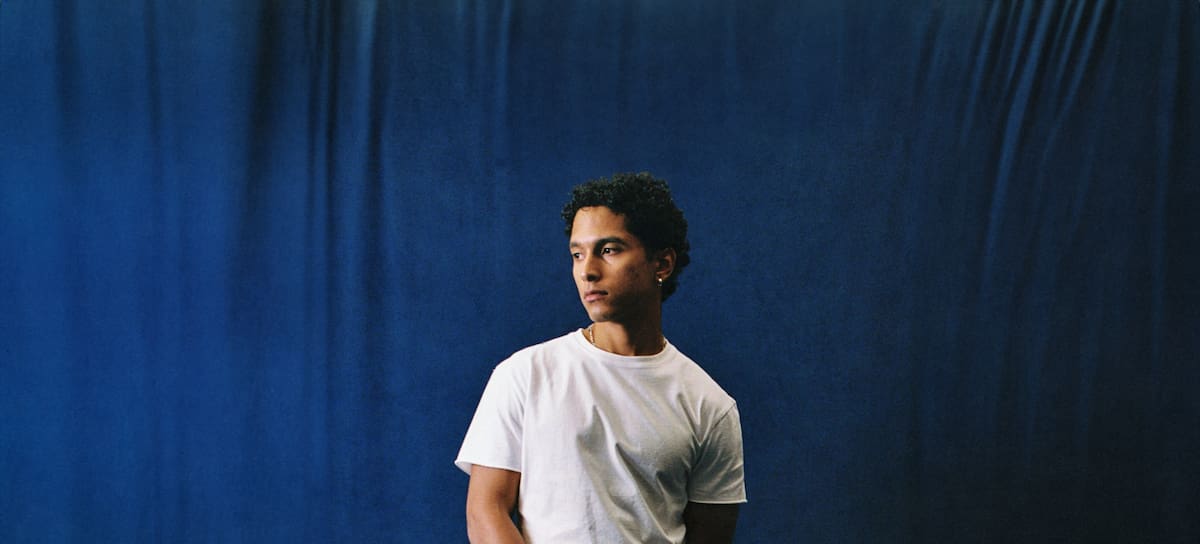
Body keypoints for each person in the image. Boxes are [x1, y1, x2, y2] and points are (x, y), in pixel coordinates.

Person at [455, 172, 746, 543]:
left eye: (609, 250)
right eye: (577, 254)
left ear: (662, 264)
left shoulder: (710, 406)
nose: (587, 271)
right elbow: (485, 512)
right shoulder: (524, 375)